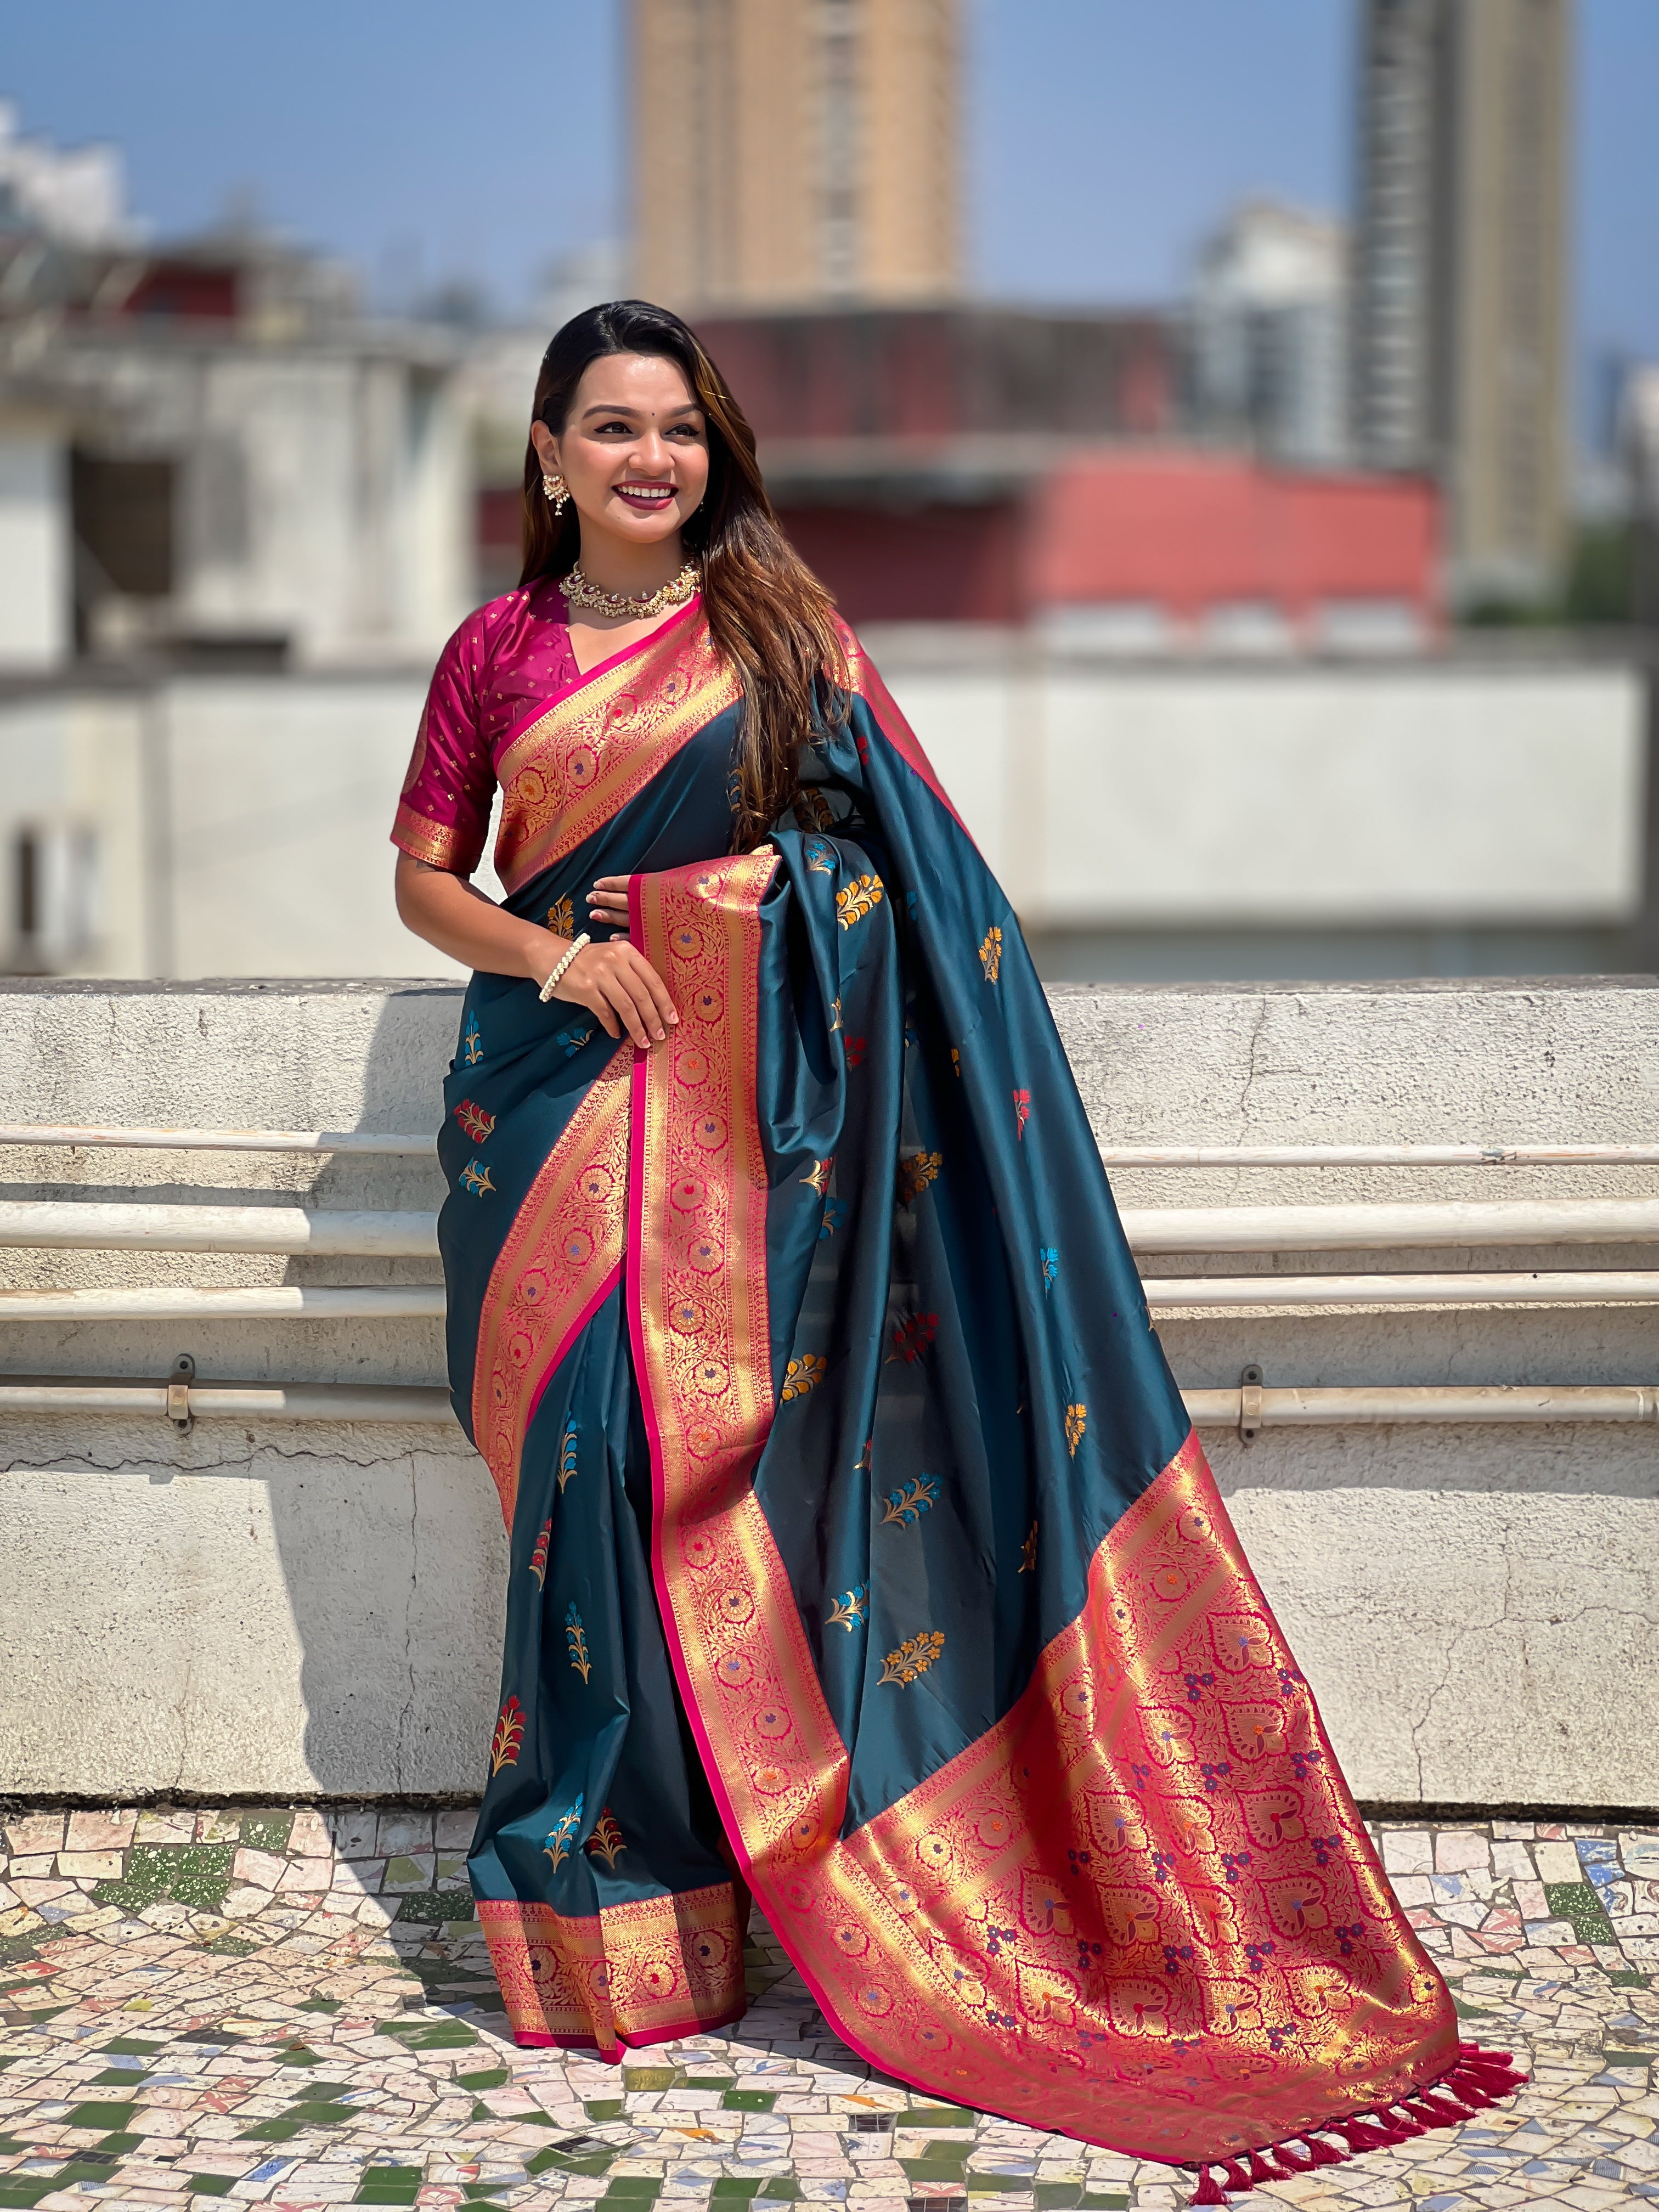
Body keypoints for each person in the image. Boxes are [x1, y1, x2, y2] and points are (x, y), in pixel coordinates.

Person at [391, 301, 1520, 2201]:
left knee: (705, 1481)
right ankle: (593, 1893)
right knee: (579, 1487)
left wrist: (763, 913)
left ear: (715, 451)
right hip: (558, 1116)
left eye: (679, 428)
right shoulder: (493, 653)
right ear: (546, 451)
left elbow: (912, 881)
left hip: (760, 1137)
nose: (648, 459)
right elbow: (429, 876)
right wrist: (561, 951)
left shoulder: (781, 633)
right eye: (611, 427)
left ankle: (765, 1889)